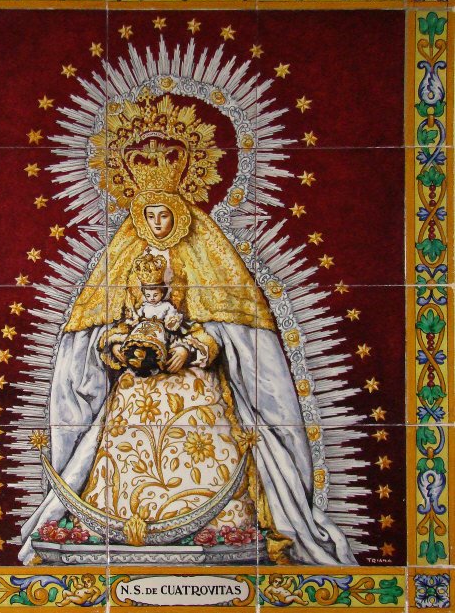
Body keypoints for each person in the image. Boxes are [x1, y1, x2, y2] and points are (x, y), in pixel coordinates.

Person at [18, 94, 356, 566]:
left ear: (178, 210)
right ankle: (126, 526)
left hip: (197, 387)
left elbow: (232, 333)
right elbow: (98, 331)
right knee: (125, 448)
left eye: (164, 214)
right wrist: (118, 346)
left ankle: (223, 530)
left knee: (203, 442)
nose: (157, 223)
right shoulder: (122, 256)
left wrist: (194, 348)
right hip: (135, 388)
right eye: (149, 215)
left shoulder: (209, 252)